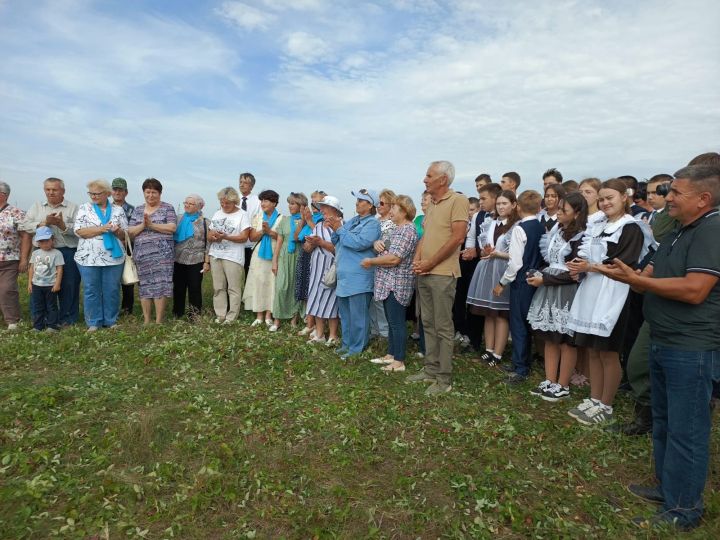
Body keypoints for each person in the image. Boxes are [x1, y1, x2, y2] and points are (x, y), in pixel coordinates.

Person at [597, 164, 720, 530]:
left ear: (703, 198)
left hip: (692, 346)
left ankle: (684, 509)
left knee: (688, 429)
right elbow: (644, 278)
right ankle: (669, 488)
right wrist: (630, 277)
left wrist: (640, 281)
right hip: (664, 339)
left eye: (676, 193)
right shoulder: (679, 231)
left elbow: (696, 289)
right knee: (664, 421)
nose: (668, 198)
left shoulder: (712, 230)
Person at [565, 178, 645, 425]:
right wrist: (580, 267)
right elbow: (588, 254)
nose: (605, 202)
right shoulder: (597, 225)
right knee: (592, 349)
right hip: (592, 289)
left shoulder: (630, 228)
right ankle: (594, 397)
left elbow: (623, 265)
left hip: (613, 294)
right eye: (601, 199)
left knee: (608, 352)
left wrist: (590, 266)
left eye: (610, 197)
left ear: (625, 197)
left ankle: (606, 404)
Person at [406, 161, 469, 395]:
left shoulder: (458, 201)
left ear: (443, 179)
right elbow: (427, 235)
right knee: (427, 323)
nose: (425, 179)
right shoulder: (431, 203)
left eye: (429, 175)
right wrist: (418, 258)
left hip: (443, 274)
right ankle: (431, 369)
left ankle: (444, 379)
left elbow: (457, 238)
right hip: (425, 272)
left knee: (443, 326)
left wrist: (431, 262)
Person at [526, 192, 588, 400]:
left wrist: (546, 280)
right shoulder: (556, 230)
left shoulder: (581, 236)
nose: (559, 213)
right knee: (549, 336)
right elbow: (550, 261)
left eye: (564, 210)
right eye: (559, 209)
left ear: (577, 213)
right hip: (549, 286)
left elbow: (574, 273)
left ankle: (563, 384)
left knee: (565, 339)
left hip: (566, 290)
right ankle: (550, 379)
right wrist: (540, 274)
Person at [361, 195, 419, 372]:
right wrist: (377, 243)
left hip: (397, 283)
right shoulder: (397, 229)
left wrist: (371, 262)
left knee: (397, 322)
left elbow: (394, 259)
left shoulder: (407, 230)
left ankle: (399, 361)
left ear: (404, 210)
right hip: (387, 283)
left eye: (394, 208)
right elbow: (386, 249)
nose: (390, 211)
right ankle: (391, 354)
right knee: (391, 320)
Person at [493, 190, 544, 384]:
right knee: (525, 322)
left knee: (519, 324)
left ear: (519, 207)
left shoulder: (519, 229)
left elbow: (515, 263)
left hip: (522, 280)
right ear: (539, 207)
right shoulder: (540, 227)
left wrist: (502, 283)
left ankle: (521, 367)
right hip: (535, 278)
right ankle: (519, 361)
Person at [327, 189, 381, 359]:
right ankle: (347, 344)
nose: (357, 203)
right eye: (357, 200)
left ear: (370, 205)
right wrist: (335, 227)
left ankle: (357, 348)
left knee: (358, 316)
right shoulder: (352, 221)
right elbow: (335, 240)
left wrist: (340, 229)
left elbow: (359, 243)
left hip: (359, 278)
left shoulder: (372, 224)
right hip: (345, 277)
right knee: (345, 314)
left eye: (361, 200)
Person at [467, 190, 518, 365]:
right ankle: (488, 349)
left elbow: (515, 254)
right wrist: (486, 251)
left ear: (513, 204)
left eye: (505, 203)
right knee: (488, 312)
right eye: (499, 204)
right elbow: (483, 248)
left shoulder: (515, 226)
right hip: (487, 269)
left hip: (503, 269)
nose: (501, 207)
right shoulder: (490, 223)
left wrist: (497, 254)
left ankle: (498, 353)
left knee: (501, 313)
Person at [22, 177, 80, 326]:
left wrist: (62, 225)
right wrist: (44, 223)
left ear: (63, 191)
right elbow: (25, 226)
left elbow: (80, 230)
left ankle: (67, 318)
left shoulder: (73, 208)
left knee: (68, 285)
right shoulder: (36, 206)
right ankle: (43, 318)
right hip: (41, 252)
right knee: (41, 285)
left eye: (55, 189)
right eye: (48, 189)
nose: (51, 192)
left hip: (67, 251)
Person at [74, 179, 128, 331]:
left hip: (114, 258)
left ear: (107, 194)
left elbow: (125, 235)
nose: (94, 196)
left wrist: (117, 230)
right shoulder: (84, 208)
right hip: (88, 258)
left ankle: (111, 320)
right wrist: (102, 229)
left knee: (112, 289)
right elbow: (79, 231)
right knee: (91, 289)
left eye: (97, 193)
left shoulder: (118, 210)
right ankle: (93, 322)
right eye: (91, 193)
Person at [127, 178, 177, 324]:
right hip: (142, 255)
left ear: (160, 193)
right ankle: (147, 320)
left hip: (163, 256)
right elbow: (130, 232)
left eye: (154, 192)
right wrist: (143, 225)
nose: (150, 195)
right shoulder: (138, 210)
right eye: (147, 192)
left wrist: (152, 225)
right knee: (145, 286)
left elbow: (172, 228)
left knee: (161, 285)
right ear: (143, 193)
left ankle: (159, 320)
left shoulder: (168, 208)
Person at [207, 187, 252, 324]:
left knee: (234, 288)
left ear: (235, 202)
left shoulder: (242, 215)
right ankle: (220, 314)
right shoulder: (217, 213)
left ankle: (231, 317)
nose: (224, 205)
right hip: (216, 254)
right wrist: (213, 237)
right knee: (218, 287)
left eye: (227, 203)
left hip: (233, 256)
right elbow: (208, 235)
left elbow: (244, 237)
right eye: (222, 203)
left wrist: (226, 236)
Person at [304, 195, 342, 345]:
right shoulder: (318, 226)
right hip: (316, 268)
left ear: (335, 210)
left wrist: (321, 242)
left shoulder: (341, 226)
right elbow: (307, 248)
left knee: (332, 302)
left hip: (332, 269)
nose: (323, 212)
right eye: (322, 209)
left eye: (326, 209)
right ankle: (319, 334)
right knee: (316, 299)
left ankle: (333, 335)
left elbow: (339, 249)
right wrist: (310, 244)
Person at [243, 190, 281, 328]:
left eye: (266, 201)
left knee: (271, 283)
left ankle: (269, 315)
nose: (263, 204)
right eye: (262, 201)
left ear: (274, 203)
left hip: (274, 255)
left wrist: (271, 232)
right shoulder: (258, 217)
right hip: (259, 254)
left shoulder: (281, 218)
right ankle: (259, 315)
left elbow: (283, 238)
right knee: (258, 281)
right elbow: (251, 237)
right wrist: (262, 231)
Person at [173, 194, 211, 320]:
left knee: (194, 288)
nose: (187, 205)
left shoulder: (206, 222)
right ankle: (177, 313)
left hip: (196, 259)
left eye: (191, 203)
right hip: (178, 259)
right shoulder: (178, 219)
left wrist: (206, 262)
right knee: (178, 287)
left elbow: (208, 244)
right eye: (186, 203)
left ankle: (194, 315)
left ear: (199, 206)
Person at [272, 192, 307, 329]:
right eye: (289, 203)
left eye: (293, 203)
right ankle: (277, 320)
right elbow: (279, 243)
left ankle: (294, 319)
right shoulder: (285, 220)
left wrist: (304, 220)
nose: (289, 206)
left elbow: (300, 238)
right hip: (285, 256)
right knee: (281, 287)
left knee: (295, 288)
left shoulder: (306, 222)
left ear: (301, 206)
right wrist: (274, 261)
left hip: (299, 256)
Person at [0, 181, 30, 330]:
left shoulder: (16, 212)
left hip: (9, 258)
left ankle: (12, 320)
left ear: (3, 195)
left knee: (7, 289)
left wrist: (24, 259)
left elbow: (25, 236)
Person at [296, 190, 326, 337]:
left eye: (317, 202)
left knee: (313, 290)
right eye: (312, 202)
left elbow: (322, 235)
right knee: (306, 290)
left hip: (317, 256)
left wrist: (308, 221)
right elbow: (296, 237)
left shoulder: (323, 219)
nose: (313, 205)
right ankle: (310, 322)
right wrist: (303, 219)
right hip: (304, 254)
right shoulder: (311, 217)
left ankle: (313, 324)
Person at [369, 189, 397, 340]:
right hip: (372, 264)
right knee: (373, 299)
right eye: (377, 203)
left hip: (386, 266)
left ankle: (385, 333)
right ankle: (374, 330)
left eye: (381, 203)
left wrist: (378, 244)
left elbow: (390, 244)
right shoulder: (374, 221)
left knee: (381, 300)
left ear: (390, 204)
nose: (378, 206)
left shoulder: (393, 223)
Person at [27, 226, 64, 332]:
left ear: (52, 240)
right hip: (36, 285)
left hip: (50, 285)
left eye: (47, 241)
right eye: (41, 242)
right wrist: (30, 283)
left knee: (51, 306)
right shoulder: (35, 253)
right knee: (38, 306)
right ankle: (38, 326)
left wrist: (57, 284)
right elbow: (32, 268)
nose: (45, 244)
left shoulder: (57, 253)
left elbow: (60, 269)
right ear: (38, 242)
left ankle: (52, 326)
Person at [111, 177, 135, 315]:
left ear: (126, 192)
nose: (117, 192)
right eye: (115, 189)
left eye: (120, 190)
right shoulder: (105, 209)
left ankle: (127, 310)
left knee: (127, 280)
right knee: (111, 281)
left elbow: (135, 230)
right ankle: (111, 310)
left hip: (127, 248)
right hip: (109, 248)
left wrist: (126, 239)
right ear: (111, 192)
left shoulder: (133, 210)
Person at [238, 172, 261, 276]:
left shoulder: (258, 201)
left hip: (250, 245)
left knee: (249, 275)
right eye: (240, 182)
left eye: (245, 183)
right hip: (234, 244)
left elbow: (259, 221)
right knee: (234, 276)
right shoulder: (233, 199)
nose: (242, 185)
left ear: (251, 186)